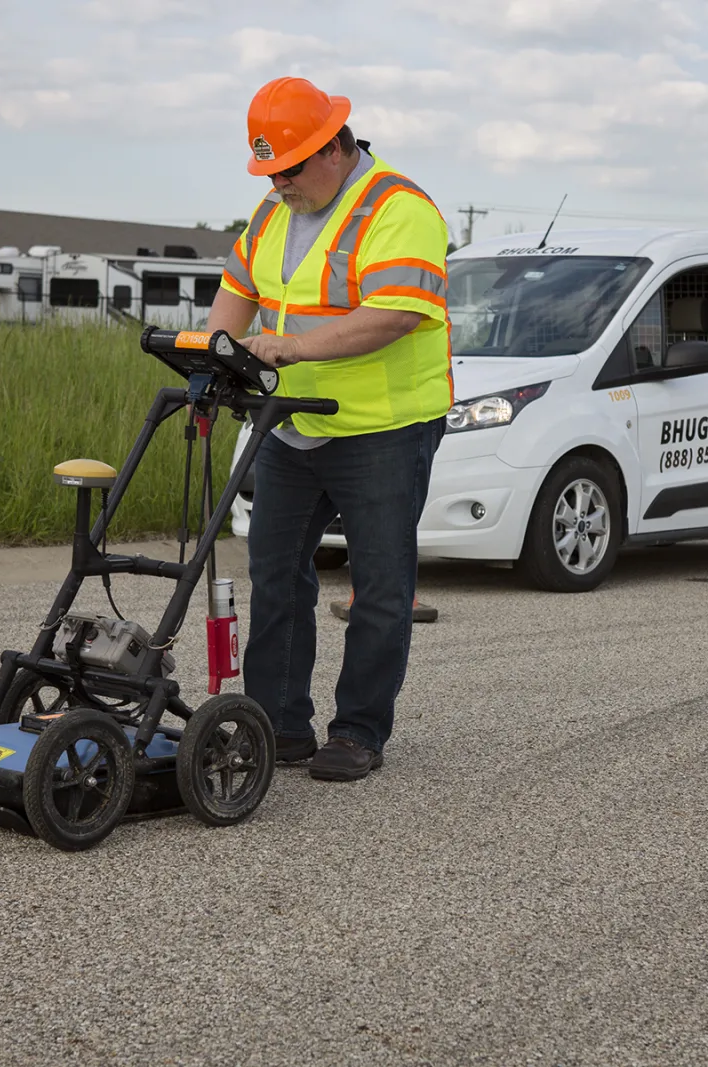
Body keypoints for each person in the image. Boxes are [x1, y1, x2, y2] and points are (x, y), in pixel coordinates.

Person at [205, 76, 451, 782]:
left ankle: (359, 730)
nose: (280, 183)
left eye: (290, 169)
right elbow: (237, 294)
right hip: (290, 427)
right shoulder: (274, 212)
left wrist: (296, 348)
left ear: (336, 147)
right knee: (275, 572)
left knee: (379, 585)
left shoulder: (399, 208)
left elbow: (397, 313)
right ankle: (277, 724)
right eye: (270, 171)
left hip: (383, 427)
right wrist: (214, 354)